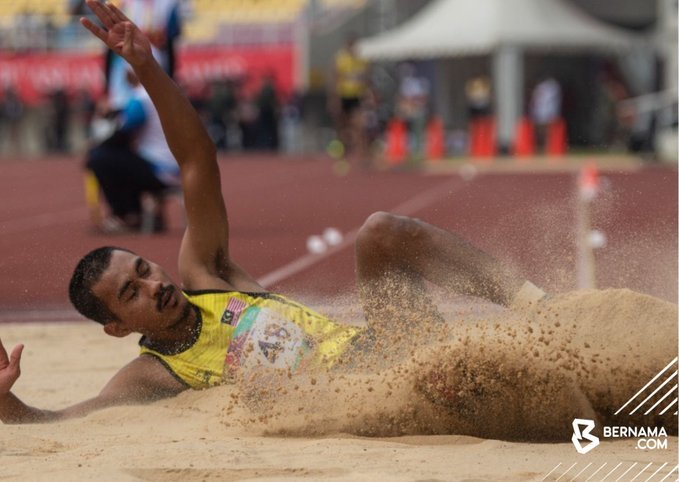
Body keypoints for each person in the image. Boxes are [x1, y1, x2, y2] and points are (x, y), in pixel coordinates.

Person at [1, 4, 674, 437]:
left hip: (389, 345)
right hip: (382, 397)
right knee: (524, 392)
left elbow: (198, 161)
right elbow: (62, 422)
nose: (153, 285)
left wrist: (148, 68)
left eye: (142, 270)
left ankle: (540, 309)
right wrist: (8, 406)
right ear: (120, 327)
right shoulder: (151, 375)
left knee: (381, 228)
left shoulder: (208, 275)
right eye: (132, 294)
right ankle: (627, 419)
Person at [331, 34, 370, 168]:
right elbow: (336, 79)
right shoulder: (341, 60)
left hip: (357, 97)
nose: (353, 48)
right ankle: (343, 153)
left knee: (360, 126)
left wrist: (368, 94)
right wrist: (335, 99)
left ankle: (362, 156)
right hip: (344, 96)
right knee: (344, 127)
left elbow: (366, 80)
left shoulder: (362, 61)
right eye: (351, 45)